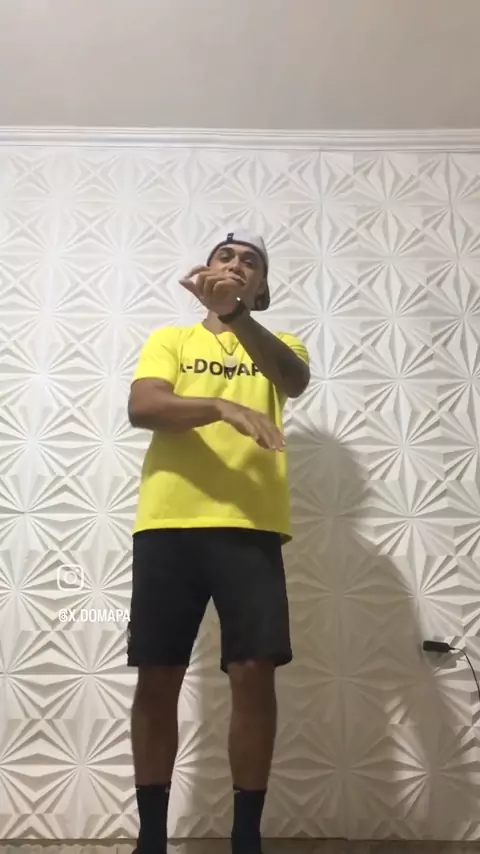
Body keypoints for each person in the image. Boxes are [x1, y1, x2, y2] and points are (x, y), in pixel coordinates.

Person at [126, 230, 310, 854]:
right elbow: (145, 407)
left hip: (251, 526)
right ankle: (152, 840)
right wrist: (219, 407)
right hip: (168, 525)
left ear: (261, 289)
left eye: (250, 262)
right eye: (225, 256)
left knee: (255, 674)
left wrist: (236, 316)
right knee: (158, 674)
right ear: (205, 271)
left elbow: (293, 380)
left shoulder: (280, 345)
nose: (235, 264)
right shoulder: (171, 340)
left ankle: (246, 840)